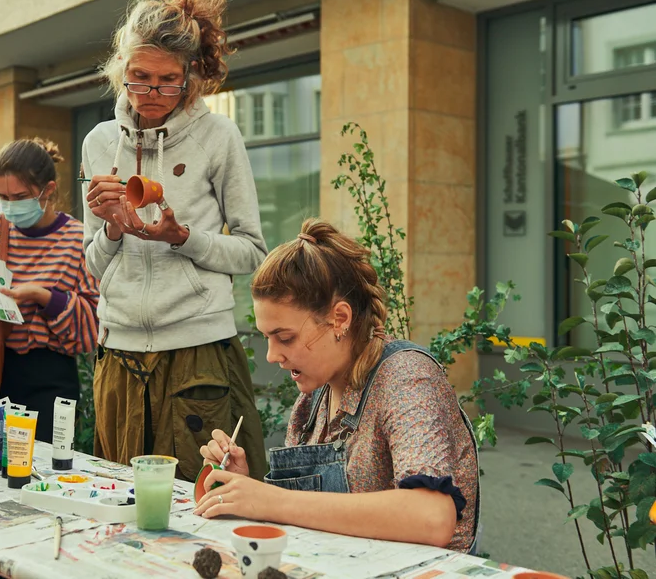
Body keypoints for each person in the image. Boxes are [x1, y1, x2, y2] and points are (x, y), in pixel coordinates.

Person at [195, 219, 480, 553]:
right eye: (266, 338)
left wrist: (272, 501)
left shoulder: (406, 378)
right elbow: (310, 516)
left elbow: (432, 518)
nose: (272, 355)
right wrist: (244, 490)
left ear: (339, 319)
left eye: (285, 337)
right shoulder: (313, 399)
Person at [81, 0, 268, 481]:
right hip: (118, 355)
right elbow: (91, 266)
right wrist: (113, 231)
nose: (152, 95)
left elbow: (253, 251)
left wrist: (180, 237)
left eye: (168, 81)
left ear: (189, 77)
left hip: (198, 354)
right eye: (139, 78)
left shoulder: (217, 136)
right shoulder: (99, 144)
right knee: (121, 507)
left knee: (203, 504)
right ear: (120, 70)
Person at [0, 138, 99, 443]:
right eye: (3, 197)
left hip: (48, 376)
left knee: (41, 470)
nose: (10, 206)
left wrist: (44, 297)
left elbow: (91, 327)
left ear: (47, 190)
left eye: (20, 197)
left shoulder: (78, 239)